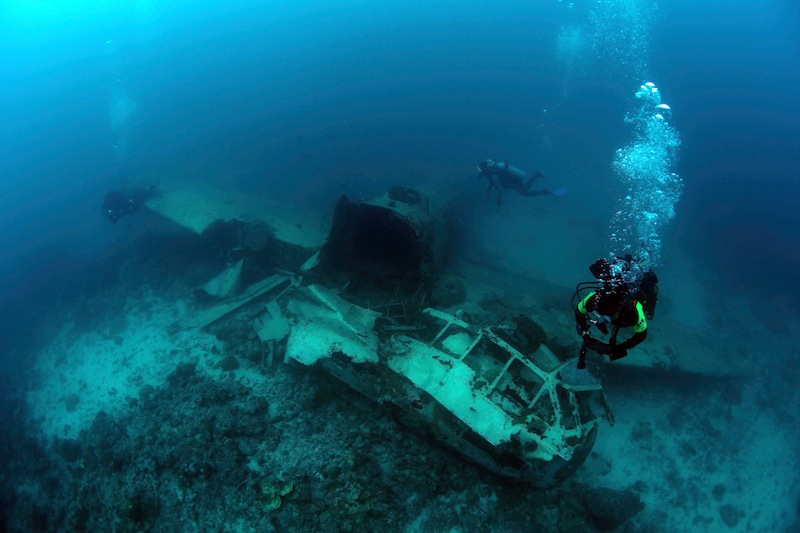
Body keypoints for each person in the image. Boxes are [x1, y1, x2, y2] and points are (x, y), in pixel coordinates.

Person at [573, 257, 657, 368]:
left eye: (606, 318)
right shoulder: (594, 299)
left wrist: (620, 348)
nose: (601, 320)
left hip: (639, 295)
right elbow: (579, 311)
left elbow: (642, 334)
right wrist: (586, 336)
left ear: (619, 311)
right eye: (598, 315)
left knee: (649, 301)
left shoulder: (634, 310)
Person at [476, 159, 565, 205]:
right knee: (526, 188)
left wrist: (499, 198)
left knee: (526, 194)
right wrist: (488, 189)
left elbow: (498, 183)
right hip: (514, 179)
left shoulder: (493, 171)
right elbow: (491, 182)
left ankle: (545, 191)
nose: (481, 171)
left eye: (481, 169)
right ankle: (537, 175)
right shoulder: (492, 170)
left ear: (486, 168)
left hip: (511, 182)